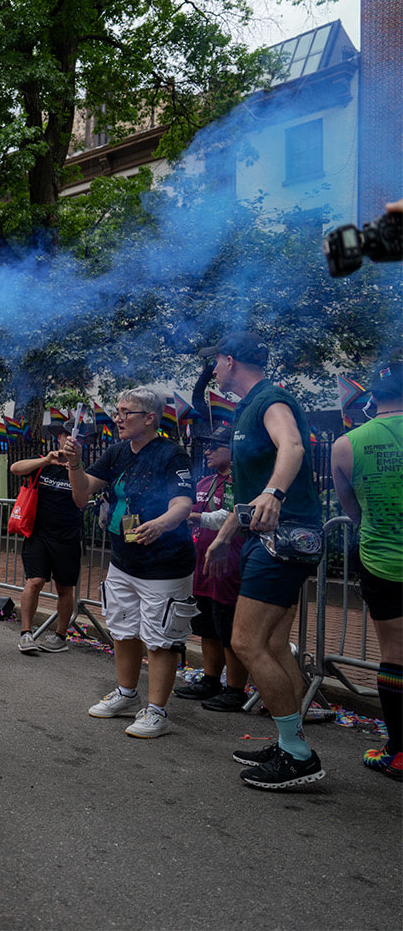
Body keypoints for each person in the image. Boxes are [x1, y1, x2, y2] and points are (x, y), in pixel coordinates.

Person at [203, 332, 326, 789]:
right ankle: (289, 742)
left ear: (231, 361)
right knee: (273, 645)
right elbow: (249, 490)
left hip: (283, 539)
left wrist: (275, 492)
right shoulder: (247, 407)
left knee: (247, 643)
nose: (213, 370)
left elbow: (292, 446)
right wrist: (226, 536)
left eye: (216, 362)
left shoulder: (271, 399)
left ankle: (298, 755)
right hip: (267, 537)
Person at [67, 386, 195, 740]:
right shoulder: (117, 451)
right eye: (117, 411)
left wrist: (161, 523)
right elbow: (82, 495)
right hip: (123, 560)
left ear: (150, 418)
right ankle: (126, 693)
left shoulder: (172, 455)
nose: (118, 418)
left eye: (126, 413)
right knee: (122, 630)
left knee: (159, 639)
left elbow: (183, 503)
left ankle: (156, 711)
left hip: (165, 564)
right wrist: (75, 463)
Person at [330, 355, 402, 779]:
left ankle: (398, 750)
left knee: (395, 655)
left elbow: (350, 509)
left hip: (383, 560)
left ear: (372, 396)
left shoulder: (346, 444)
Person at [175, 423, 249, 711]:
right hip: (202, 566)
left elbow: (230, 516)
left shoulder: (240, 482)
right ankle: (210, 680)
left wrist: (196, 518)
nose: (207, 450)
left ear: (233, 450)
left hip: (228, 566)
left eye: (214, 446)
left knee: (228, 628)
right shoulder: (203, 483)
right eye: (206, 445)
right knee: (207, 627)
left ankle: (235, 689)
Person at [10, 425, 83, 655]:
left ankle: (60, 635)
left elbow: (83, 499)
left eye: (76, 438)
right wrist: (45, 461)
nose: (70, 441)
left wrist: (74, 466)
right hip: (38, 534)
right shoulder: (43, 462)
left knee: (64, 588)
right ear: (59, 439)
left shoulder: (81, 469)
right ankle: (26, 634)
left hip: (68, 537)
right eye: (66, 436)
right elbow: (15, 468)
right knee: (34, 581)